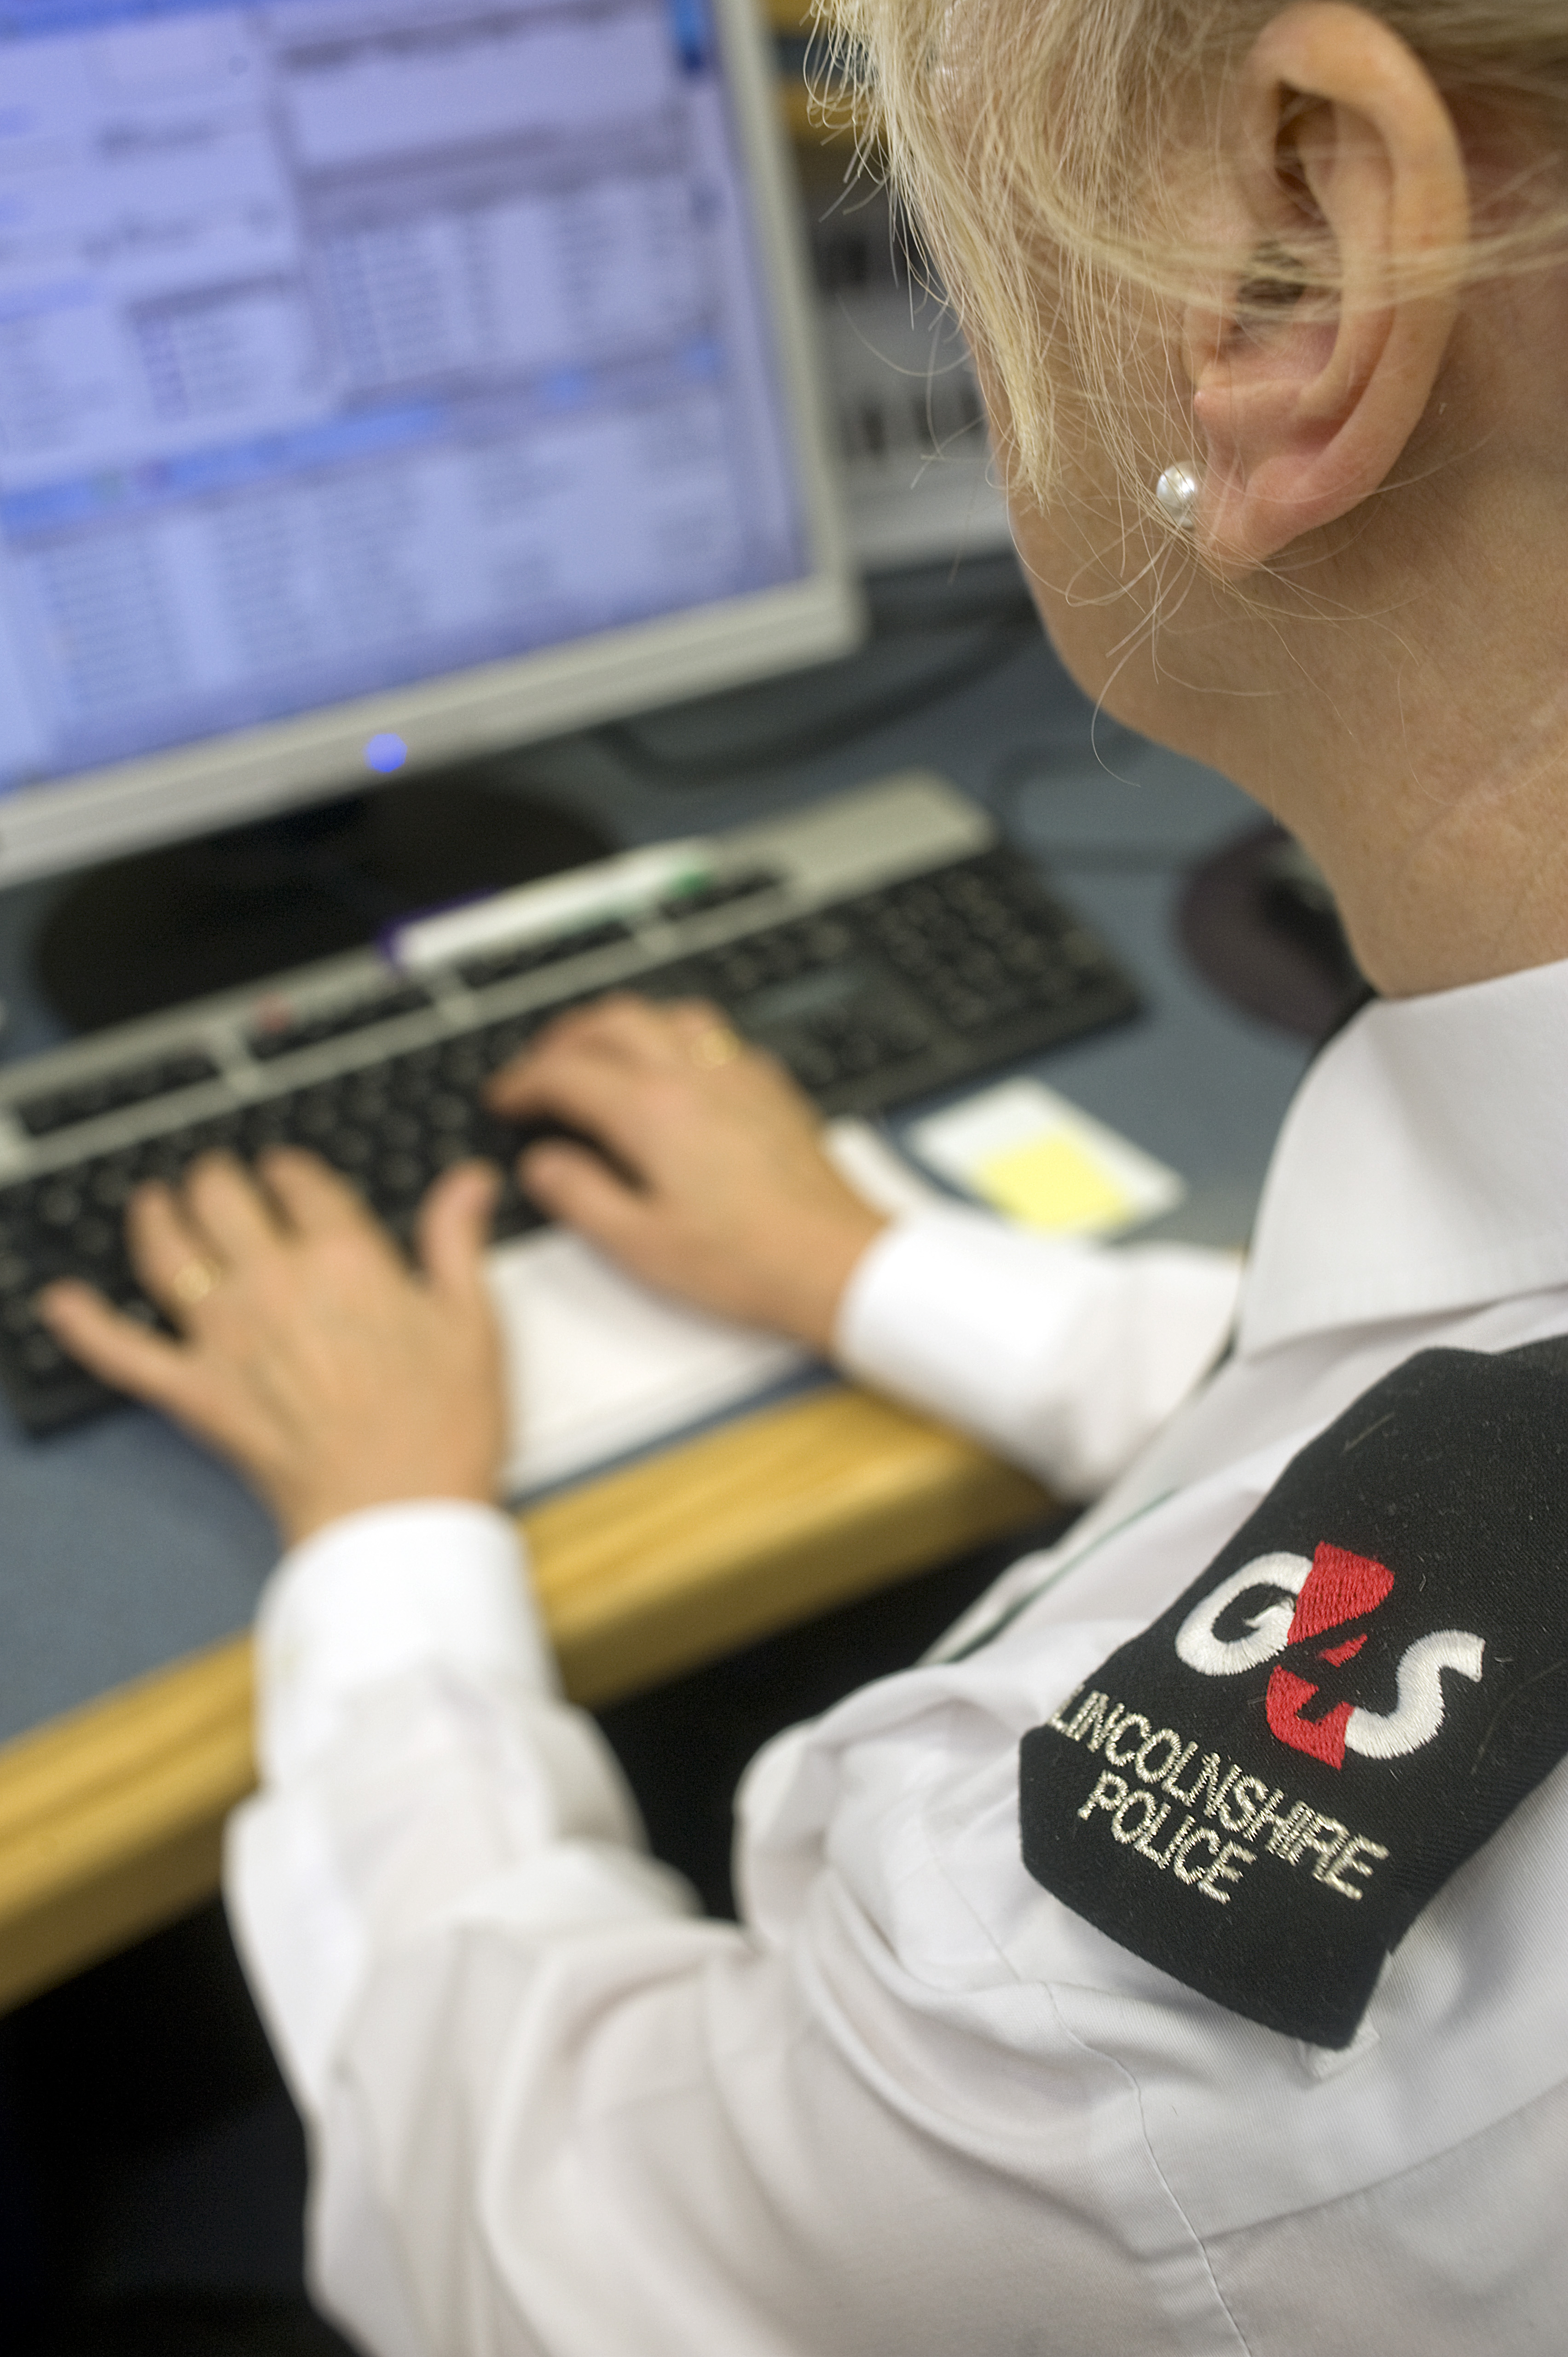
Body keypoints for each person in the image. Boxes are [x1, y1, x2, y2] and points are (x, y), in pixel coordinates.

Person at [37, 0, 1568, 2345]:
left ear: (1298, 266)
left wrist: (388, 1544)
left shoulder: (1127, 2037)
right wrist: (872, 1272)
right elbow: (1455, 1441)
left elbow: (527, 2226)